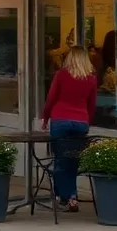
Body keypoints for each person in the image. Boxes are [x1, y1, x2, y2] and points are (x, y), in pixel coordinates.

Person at [42, 45, 98, 212]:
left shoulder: (61, 75)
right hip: (80, 122)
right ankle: (66, 196)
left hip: (60, 120)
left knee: (61, 160)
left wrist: (45, 118)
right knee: (73, 160)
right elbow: (92, 104)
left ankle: (68, 197)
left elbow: (51, 98)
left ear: (70, 58)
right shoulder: (91, 78)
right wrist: (88, 122)